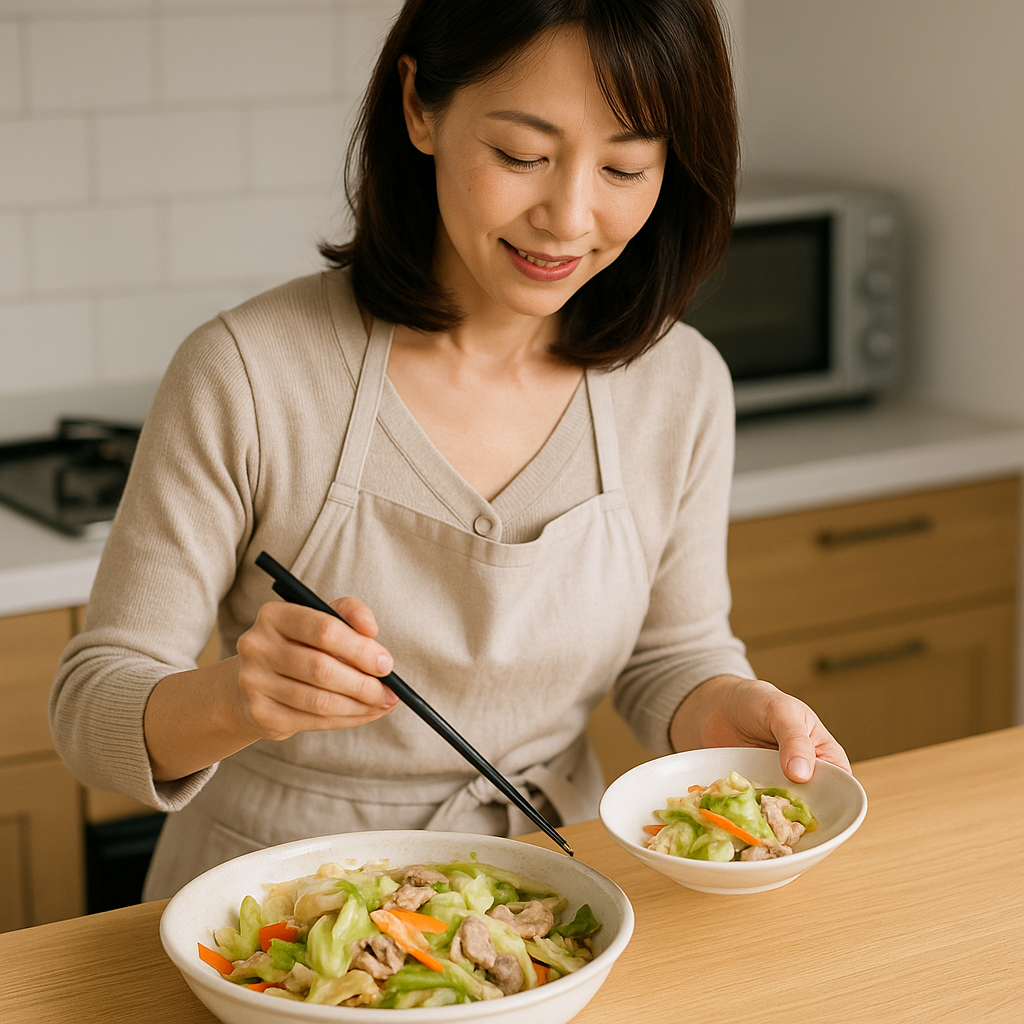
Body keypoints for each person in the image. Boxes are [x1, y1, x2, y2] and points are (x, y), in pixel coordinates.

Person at [49, 0, 850, 900]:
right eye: (521, 156)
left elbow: (672, 656)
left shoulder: (682, 385)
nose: (568, 216)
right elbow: (92, 709)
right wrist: (241, 697)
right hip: (268, 914)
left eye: (626, 166)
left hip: (546, 905)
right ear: (420, 108)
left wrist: (731, 708)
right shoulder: (247, 372)